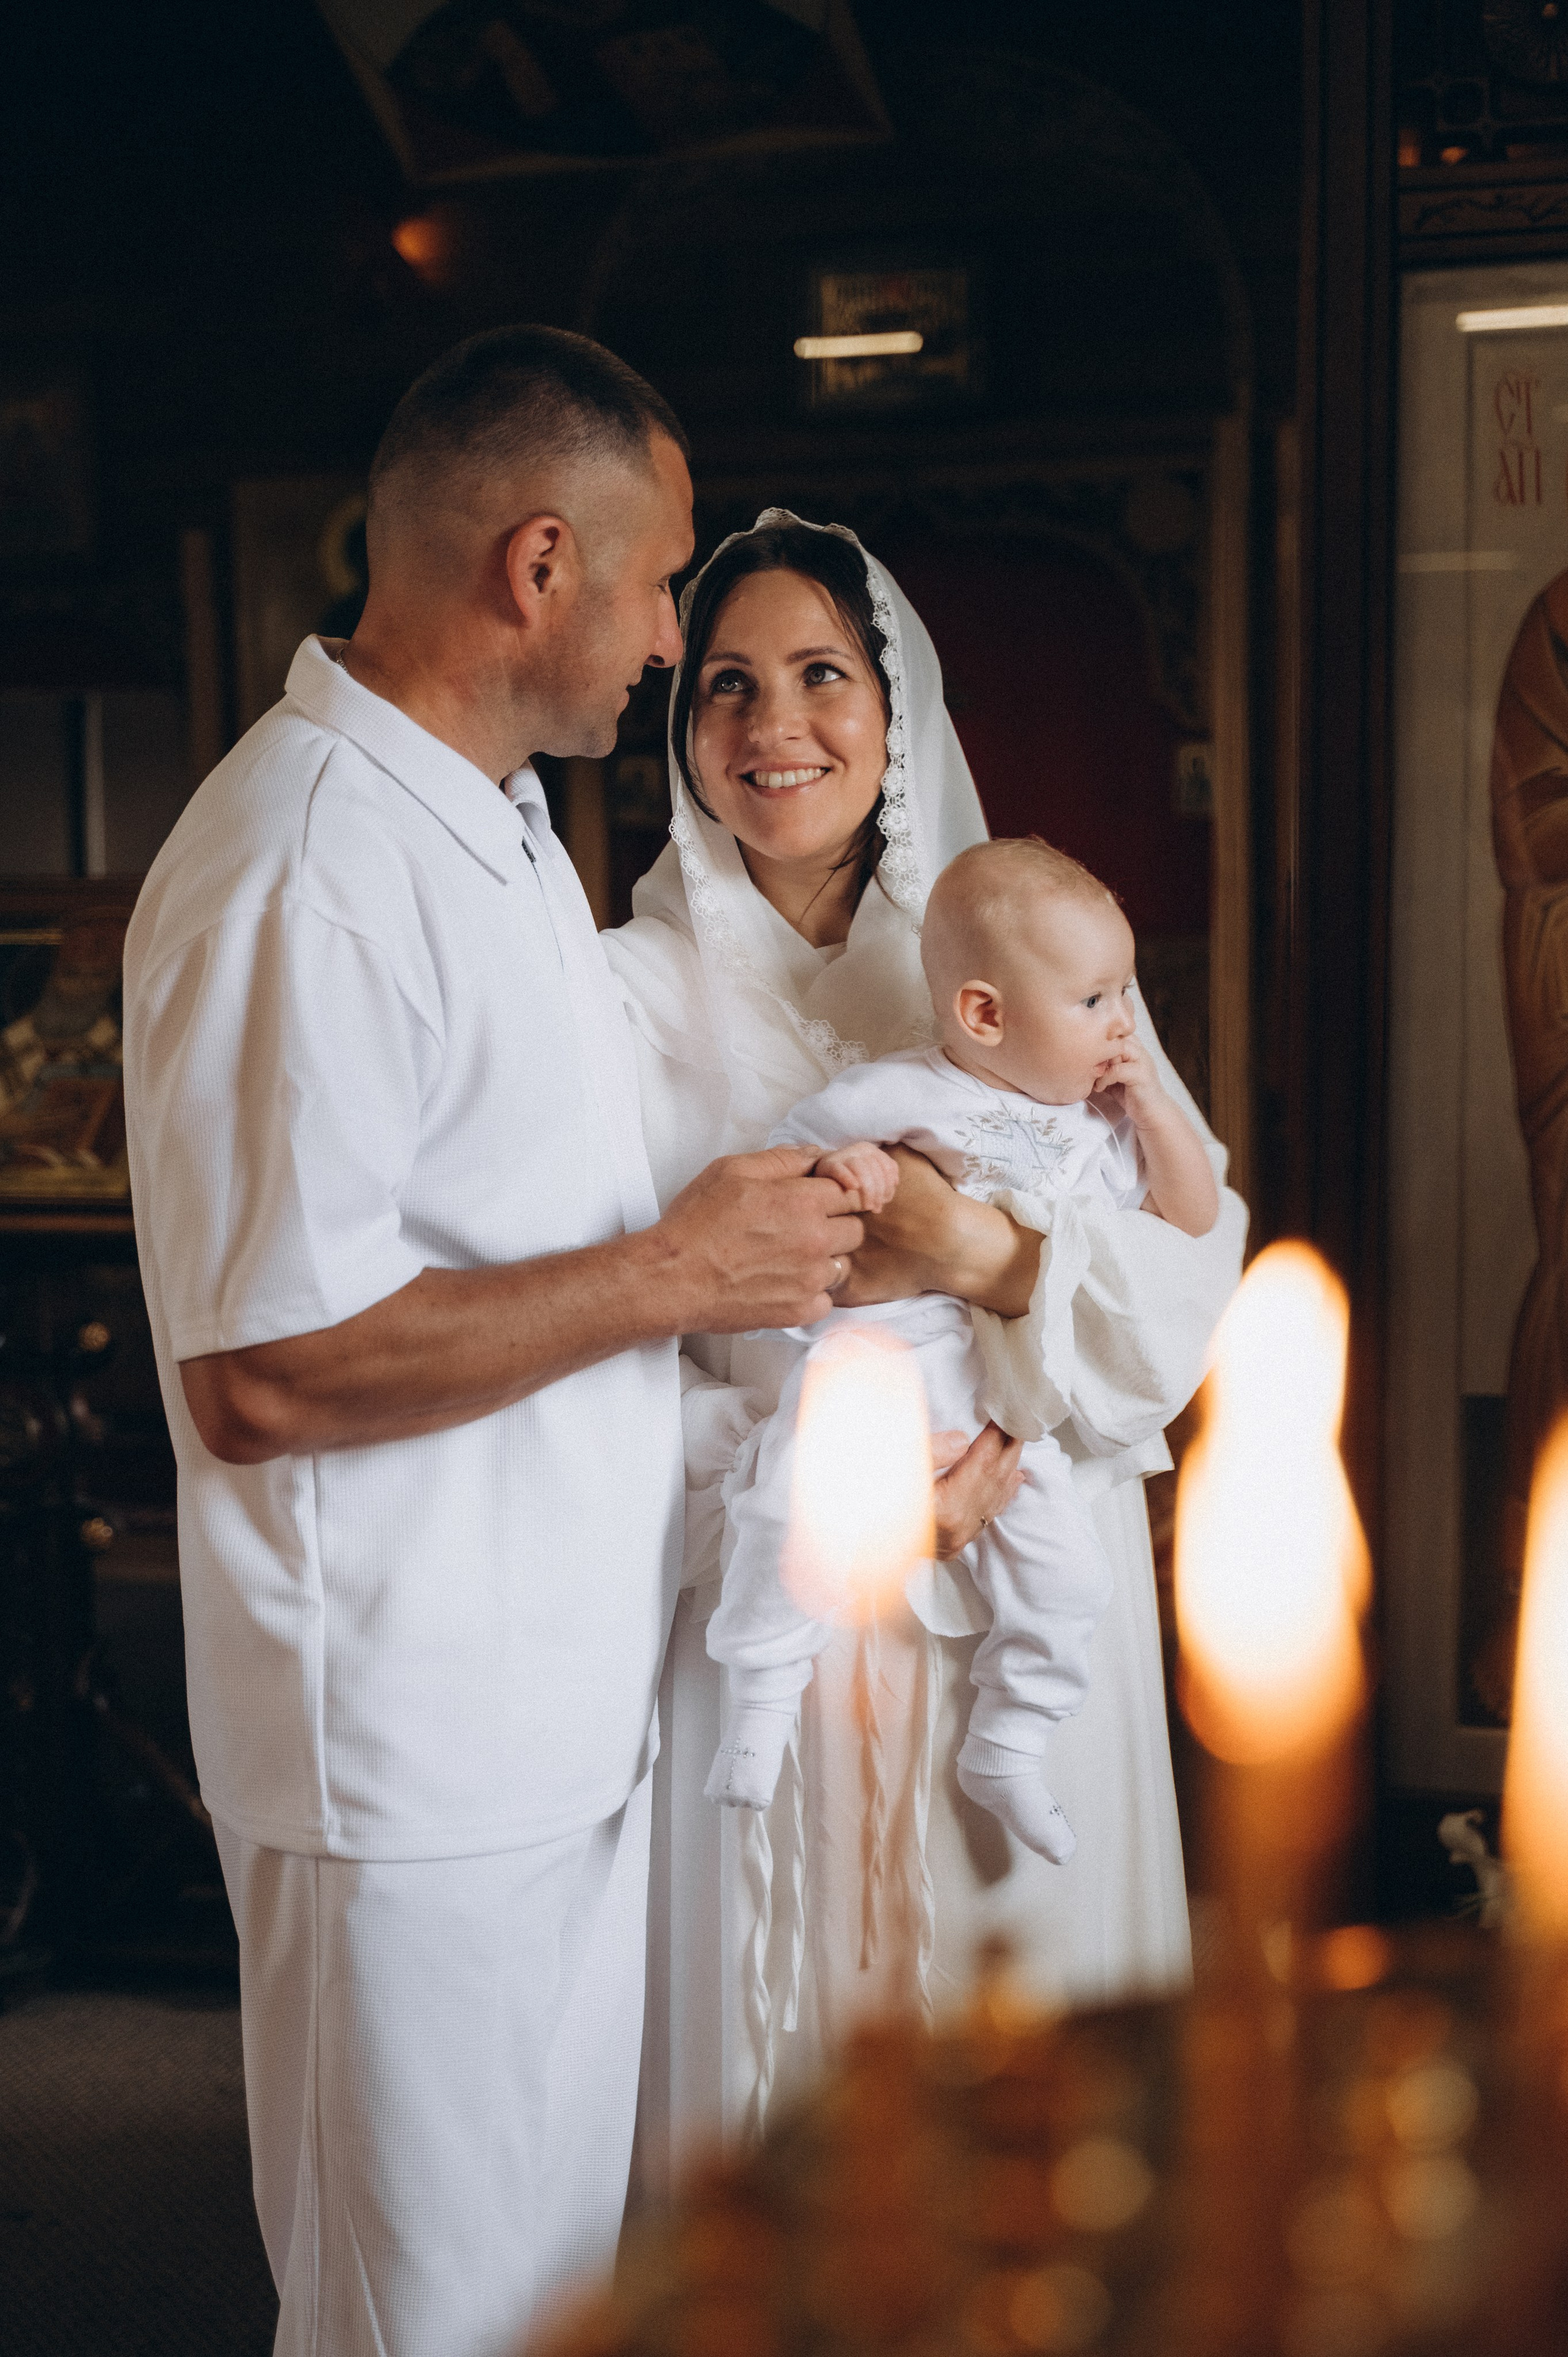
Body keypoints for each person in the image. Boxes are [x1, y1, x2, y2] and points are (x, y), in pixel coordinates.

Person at [121, 333, 899, 2357]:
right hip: (406, 1750)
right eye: (661, 584)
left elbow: (515, 1236)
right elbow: (260, 1371)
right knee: (424, 2317)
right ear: (539, 565)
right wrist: (676, 1271)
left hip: (548, 1714)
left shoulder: (494, 826)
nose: (667, 635)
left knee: (543, 2306)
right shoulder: (305, 866)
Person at [603, 511, 1247, 2170]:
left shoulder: (1025, 952)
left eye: (822, 674)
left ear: (897, 716)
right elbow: (595, 1341)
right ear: (681, 726)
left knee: (1027, 2090)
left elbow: (1188, 1275)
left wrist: (988, 1256)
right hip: (771, 1585)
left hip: (1022, 1536)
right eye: (726, 683)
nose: (775, 724)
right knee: (803, 2117)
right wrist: (841, 1501)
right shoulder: (610, 1001)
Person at [703, 836, 1220, 1868]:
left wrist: (1154, 1111)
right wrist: (844, 1163)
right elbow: (785, 1164)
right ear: (985, 1015)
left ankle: (1010, 1741)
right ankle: (758, 1696)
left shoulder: (1100, 1126)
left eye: (1126, 991)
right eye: (1094, 999)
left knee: (1069, 1578)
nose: (1123, 1021)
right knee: (789, 1501)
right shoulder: (905, 1091)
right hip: (881, 1356)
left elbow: (1192, 1218)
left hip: (1004, 1401)